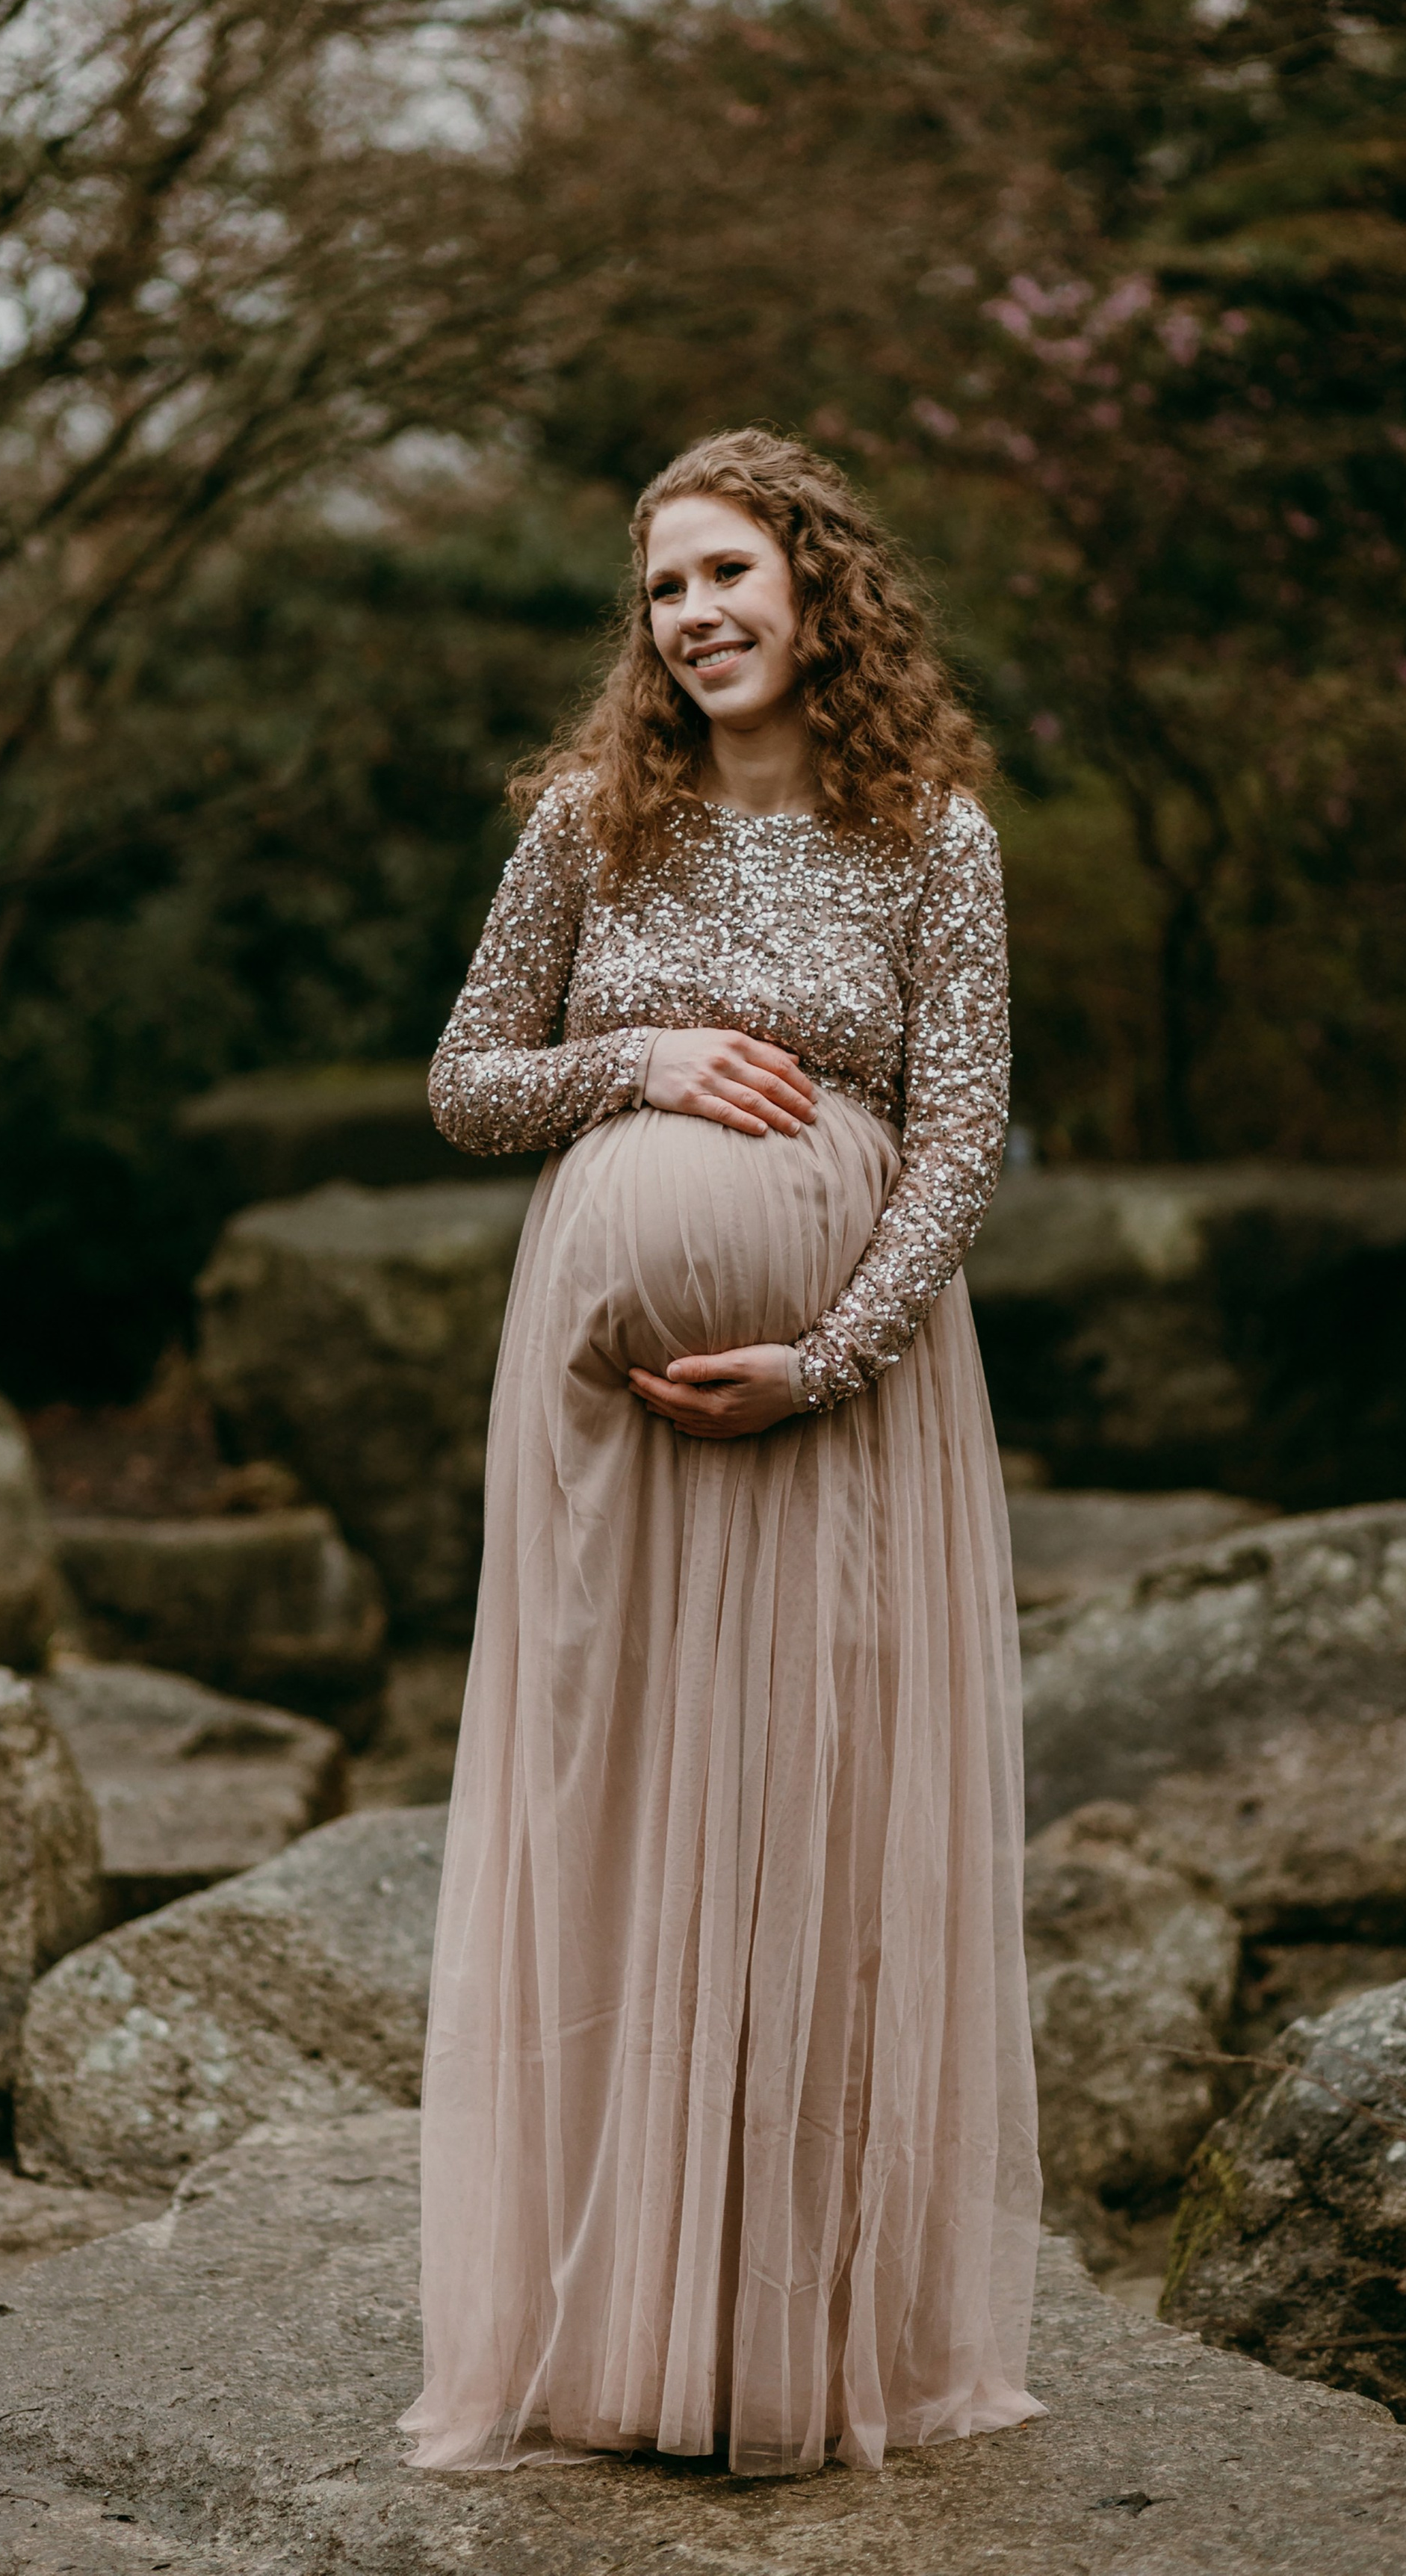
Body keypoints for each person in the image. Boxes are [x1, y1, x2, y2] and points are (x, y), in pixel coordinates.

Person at [398, 428, 1043, 2479]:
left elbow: (958, 1141)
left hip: (837, 1417)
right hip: (602, 1437)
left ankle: (786, 2334)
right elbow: (466, 1084)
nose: (693, 616)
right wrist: (643, 1058)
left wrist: (827, 1355)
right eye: (663, 588)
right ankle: (609, 2328)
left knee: (809, 1829)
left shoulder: (932, 832)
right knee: (615, 1822)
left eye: (727, 574)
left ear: (816, 585)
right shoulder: (598, 821)